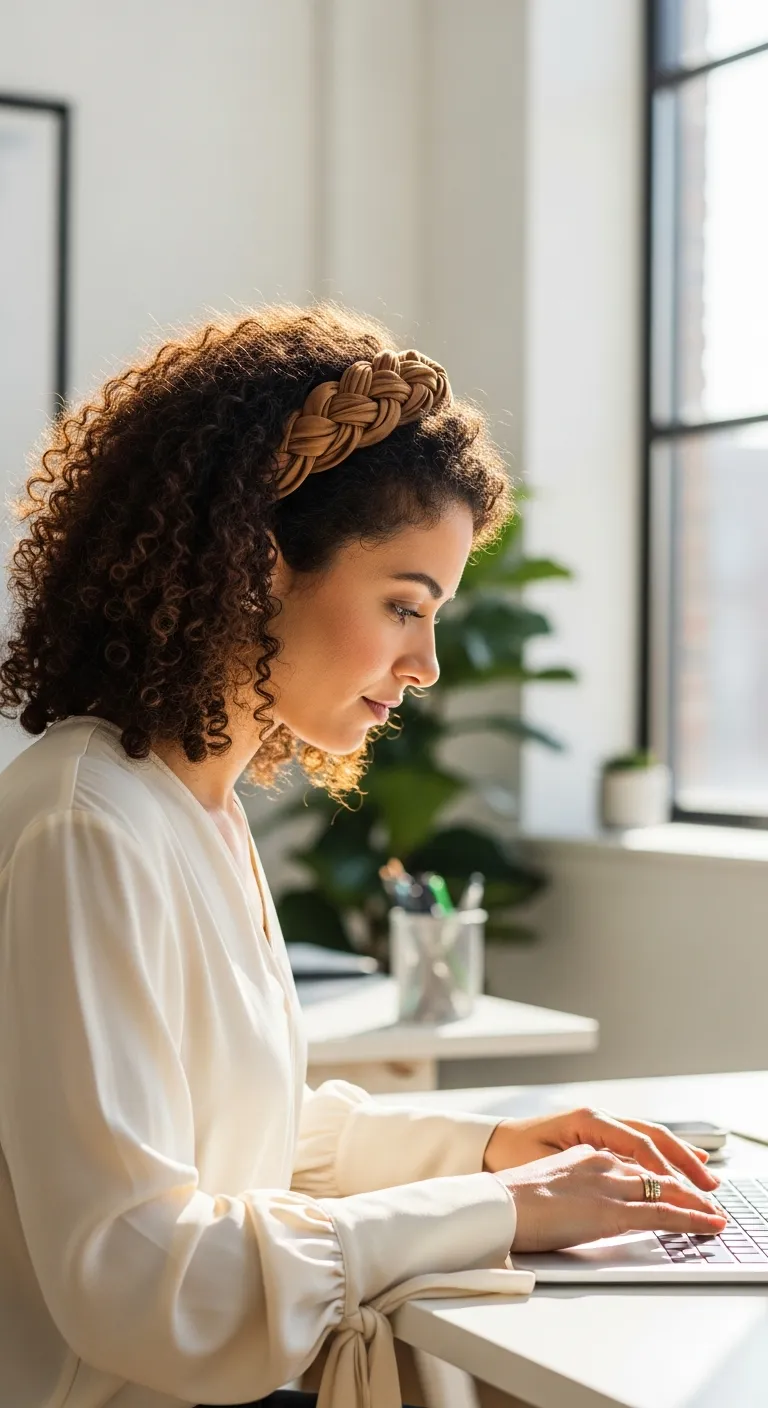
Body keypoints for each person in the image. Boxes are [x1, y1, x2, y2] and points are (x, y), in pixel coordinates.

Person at [0, 304, 726, 1408]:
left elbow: (252, 1135)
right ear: (257, 567)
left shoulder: (191, 808)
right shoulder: (86, 825)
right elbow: (140, 1279)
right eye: (402, 605)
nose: (425, 663)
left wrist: (494, 1150)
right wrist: (509, 1208)